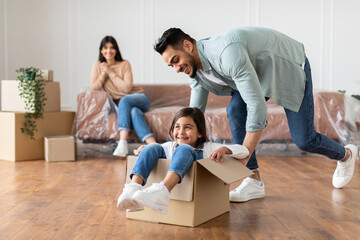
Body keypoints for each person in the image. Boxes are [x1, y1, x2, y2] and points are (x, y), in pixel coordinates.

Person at [153, 27, 358, 202]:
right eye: (171, 65)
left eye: (176, 60)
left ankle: (346, 154)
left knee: (304, 140)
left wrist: (244, 154)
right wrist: (175, 147)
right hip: (255, 74)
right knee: (235, 110)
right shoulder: (195, 71)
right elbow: (194, 114)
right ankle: (253, 180)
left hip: (285, 66)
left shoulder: (226, 53)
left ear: (188, 46)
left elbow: (256, 104)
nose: (176, 68)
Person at [117, 107, 249, 213]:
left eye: (187, 127)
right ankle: (133, 189)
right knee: (152, 147)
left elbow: (245, 151)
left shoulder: (209, 149)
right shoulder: (169, 147)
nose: (181, 132)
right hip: (166, 181)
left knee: (184, 149)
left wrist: (225, 149)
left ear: (200, 133)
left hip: (197, 197)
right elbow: (148, 152)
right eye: (177, 127)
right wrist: (143, 149)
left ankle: (163, 190)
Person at [90, 36, 156, 157]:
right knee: (134, 112)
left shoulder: (125, 64)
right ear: (101, 50)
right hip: (125, 105)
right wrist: (104, 72)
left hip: (139, 98)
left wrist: (110, 71)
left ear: (116, 50)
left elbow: (126, 88)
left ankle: (122, 143)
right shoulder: (98, 65)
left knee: (125, 100)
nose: (109, 51)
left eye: (112, 48)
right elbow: (94, 87)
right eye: (105, 48)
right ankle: (154, 145)